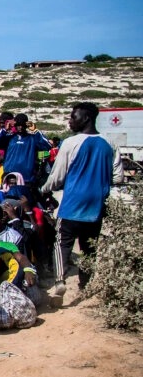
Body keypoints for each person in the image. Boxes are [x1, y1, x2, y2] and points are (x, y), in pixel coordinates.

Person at [40, 102, 123, 299]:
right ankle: (86, 286)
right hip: (96, 207)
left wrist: (43, 189)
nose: (70, 121)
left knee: (62, 243)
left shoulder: (70, 143)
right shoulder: (110, 144)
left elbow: (57, 177)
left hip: (72, 204)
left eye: (73, 117)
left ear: (86, 118)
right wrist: (99, 179)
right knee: (89, 247)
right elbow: (118, 177)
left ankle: (60, 280)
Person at [0, 113, 53, 186]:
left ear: (26, 125)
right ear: (15, 125)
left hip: (27, 179)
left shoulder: (32, 139)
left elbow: (48, 146)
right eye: (18, 125)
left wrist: (36, 131)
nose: (20, 127)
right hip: (10, 178)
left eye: (22, 125)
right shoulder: (9, 138)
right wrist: (4, 130)